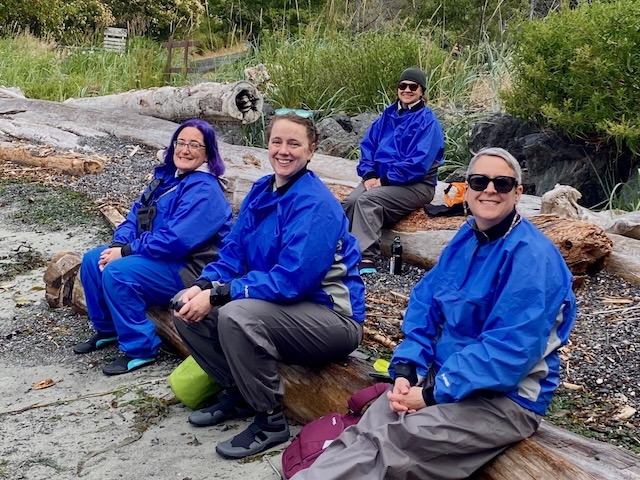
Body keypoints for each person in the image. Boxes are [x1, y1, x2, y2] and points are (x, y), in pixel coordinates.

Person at [292, 147, 577, 479]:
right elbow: (426, 304)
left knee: (399, 439)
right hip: (446, 378)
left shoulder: (533, 259)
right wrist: (407, 368)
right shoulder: (467, 237)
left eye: (501, 183)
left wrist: (430, 393)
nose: (489, 189)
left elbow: (508, 352)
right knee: (376, 417)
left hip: (505, 398)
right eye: (479, 180)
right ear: (467, 189)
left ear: (518, 192)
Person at [173, 109, 366, 459]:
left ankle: (270, 420)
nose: (284, 150)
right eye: (277, 141)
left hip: (331, 316)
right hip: (282, 306)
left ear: (311, 150)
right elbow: (233, 252)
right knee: (184, 306)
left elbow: (291, 280)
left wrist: (221, 294)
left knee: (235, 315)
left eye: (294, 143)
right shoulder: (262, 190)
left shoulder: (314, 203)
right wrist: (204, 284)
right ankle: (240, 393)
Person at [74, 119, 233, 376]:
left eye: (194, 145)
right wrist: (118, 244)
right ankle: (107, 329)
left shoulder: (206, 189)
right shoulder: (166, 179)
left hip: (190, 269)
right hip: (159, 257)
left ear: (207, 153)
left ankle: (141, 348)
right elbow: (133, 217)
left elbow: (176, 241)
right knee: (94, 260)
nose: (185, 150)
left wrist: (126, 252)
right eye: (180, 142)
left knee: (119, 272)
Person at [343, 66, 445, 274]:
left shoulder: (428, 123)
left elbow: (418, 163)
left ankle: (365, 257)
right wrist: (370, 175)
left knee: (367, 201)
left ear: (422, 90)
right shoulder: (387, 115)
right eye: (403, 85)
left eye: (413, 86)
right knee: (350, 202)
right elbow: (368, 146)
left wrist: (385, 180)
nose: (407, 90)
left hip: (416, 184)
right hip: (380, 179)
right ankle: (339, 248)